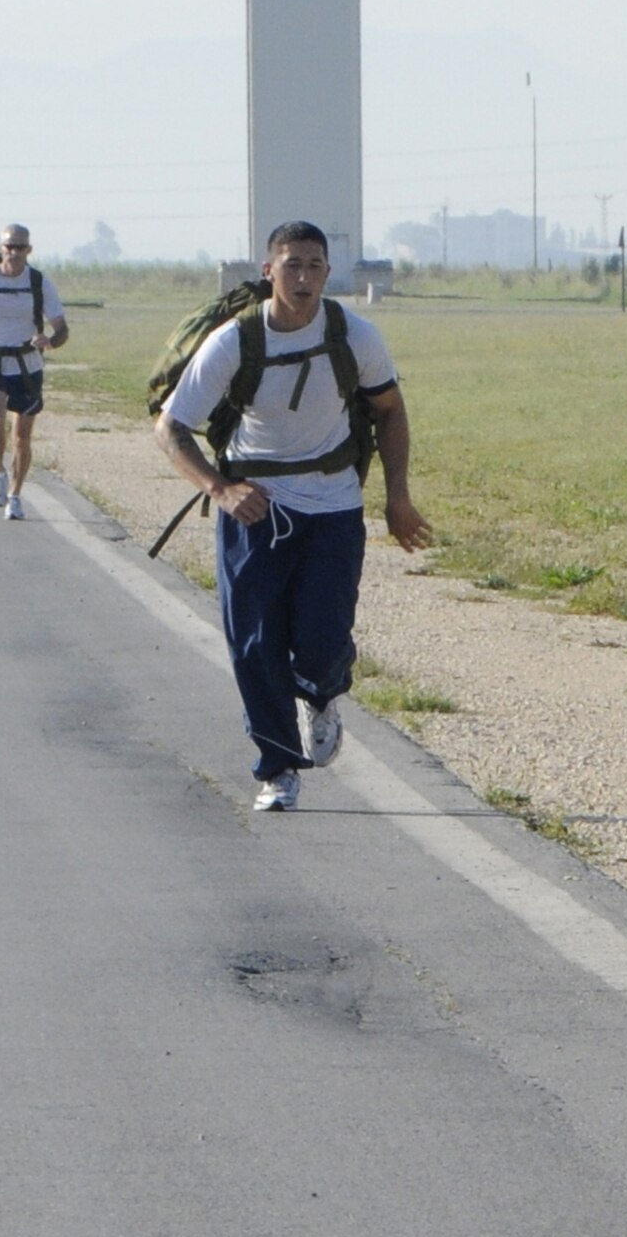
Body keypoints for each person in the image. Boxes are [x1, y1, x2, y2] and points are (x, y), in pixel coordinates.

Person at [155, 220, 433, 811]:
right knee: (254, 643)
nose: (303, 278)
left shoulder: (354, 335)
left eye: (314, 266)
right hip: (255, 506)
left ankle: (323, 693)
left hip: (333, 503)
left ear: (328, 273)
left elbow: (390, 410)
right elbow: (172, 428)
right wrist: (219, 489)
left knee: (322, 637)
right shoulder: (234, 341)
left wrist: (398, 497)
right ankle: (277, 770)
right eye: (291, 265)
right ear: (268, 271)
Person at [0, 225, 69, 521]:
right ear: (0, 248)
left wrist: (50, 340)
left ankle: (16, 495)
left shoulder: (38, 282)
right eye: (9, 246)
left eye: (20, 247)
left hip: (27, 365)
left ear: (29, 250)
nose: (14, 252)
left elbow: (61, 328)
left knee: (22, 436)